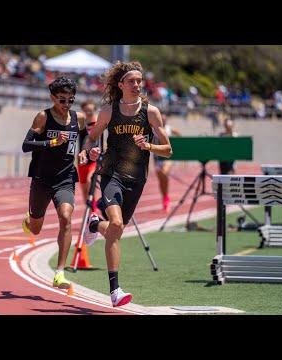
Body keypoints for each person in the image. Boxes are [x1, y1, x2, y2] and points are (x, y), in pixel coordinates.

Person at [79, 61, 172, 307]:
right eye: (132, 81)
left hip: (137, 179)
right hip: (111, 174)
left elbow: (168, 150)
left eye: (140, 81)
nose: (137, 85)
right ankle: (114, 291)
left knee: (116, 229)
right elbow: (91, 138)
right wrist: (89, 152)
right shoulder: (109, 111)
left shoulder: (151, 112)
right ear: (120, 85)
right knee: (118, 224)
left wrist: (149, 146)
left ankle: (96, 224)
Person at [21, 76, 87, 290]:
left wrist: (86, 151)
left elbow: (86, 138)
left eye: (70, 100)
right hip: (41, 179)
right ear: (53, 98)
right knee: (36, 229)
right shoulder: (43, 117)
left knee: (66, 217)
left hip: (65, 178)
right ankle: (30, 219)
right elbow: (26, 145)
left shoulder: (79, 119)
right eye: (62, 100)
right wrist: (51, 142)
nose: (66, 105)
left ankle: (59, 272)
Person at [153, 114, 181, 213]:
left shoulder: (169, 129)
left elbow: (179, 135)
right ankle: (165, 197)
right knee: (161, 181)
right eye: (161, 119)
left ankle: (166, 199)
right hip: (157, 158)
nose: (163, 121)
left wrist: (176, 147)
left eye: (164, 119)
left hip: (168, 158)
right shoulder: (154, 129)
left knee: (164, 173)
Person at [77, 99, 101, 214]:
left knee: (89, 180)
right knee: (84, 189)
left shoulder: (99, 123)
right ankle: (91, 212)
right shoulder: (81, 124)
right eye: (86, 111)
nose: (89, 113)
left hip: (94, 158)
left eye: (91, 111)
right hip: (82, 159)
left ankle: (95, 210)